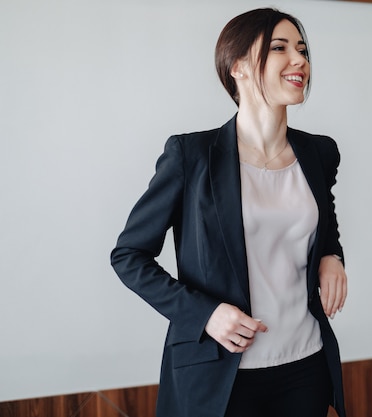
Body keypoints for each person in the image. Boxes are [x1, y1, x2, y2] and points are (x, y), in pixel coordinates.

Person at [110, 8, 348, 417]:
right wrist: (206, 315)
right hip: (219, 372)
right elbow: (129, 257)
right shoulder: (190, 157)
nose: (300, 61)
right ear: (237, 67)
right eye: (279, 48)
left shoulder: (319, 153)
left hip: (305, 364)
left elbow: (319, 223)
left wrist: (331, 254)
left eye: (302, 50)